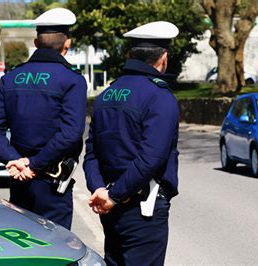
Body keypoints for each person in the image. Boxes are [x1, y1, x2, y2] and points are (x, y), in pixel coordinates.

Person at [0, 7, 87, 230]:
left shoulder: (11, 78)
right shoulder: (72, 80)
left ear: (36, 43)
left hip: (19, 182)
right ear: (67, 44)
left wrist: (15, 160)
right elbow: (70, 133)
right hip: (52, 185)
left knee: (23, 247)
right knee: (56, 254)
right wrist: (34, 165)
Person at [83, 21, 180, 265]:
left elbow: (91, 152)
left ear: (130, 55)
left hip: (109, 206)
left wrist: (100, 190)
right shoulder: (159, 96)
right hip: (142, 209)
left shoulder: (107, 94)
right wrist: (113, 196)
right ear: (163, 58)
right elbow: (151, 158)